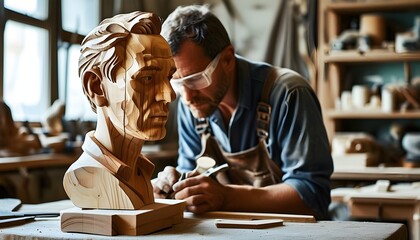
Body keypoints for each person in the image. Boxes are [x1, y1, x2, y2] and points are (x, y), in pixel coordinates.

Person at [152, 5, 333, 219]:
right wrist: (176, 186)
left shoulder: (288, 95)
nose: (187, 97)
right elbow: (191, 171)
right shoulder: (191, 102)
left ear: (227, 59)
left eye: (196, 80)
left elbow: (313, 196)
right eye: (176, 83)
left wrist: (226, 197)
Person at [63, 11, 176, 210]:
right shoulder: (86, 176)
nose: (169, 96)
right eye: (147, 78)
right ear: (96, 86)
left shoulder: (141, 172)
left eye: (168, 77)